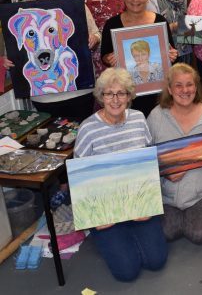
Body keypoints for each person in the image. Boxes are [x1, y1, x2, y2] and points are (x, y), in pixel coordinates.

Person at [73, 67, 167, 281]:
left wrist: (149, 206)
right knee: (127, 272)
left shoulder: (139, 119)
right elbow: (80, 181)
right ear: (101, 96)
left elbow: (149, 165)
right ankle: (113, 236)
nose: (115, 100)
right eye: (109, 93)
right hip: (105, 211)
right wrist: (96, 217)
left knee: (156, 261)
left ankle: (130, 234)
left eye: (121, 93)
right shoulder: (87, 129)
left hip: (138, 204)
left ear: (129, 96)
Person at [3, 0, 101, 120]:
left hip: (78, 89)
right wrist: (6, 60)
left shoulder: (72, 4)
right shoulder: (20, 12)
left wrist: (94, 38)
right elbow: (13, 49)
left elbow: (96, 32)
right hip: (43, 95)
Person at [147, 63, 202, 242]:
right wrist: (164, 171)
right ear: (169, 89)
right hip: (168, 192)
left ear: (196, 87)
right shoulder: (156, 116)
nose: (185, 90)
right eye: (178, 85)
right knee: (167, 233)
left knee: (200, 235)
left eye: (189, 84)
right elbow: (146, 156)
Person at [101, 0, 178, 117]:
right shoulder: (112, 24)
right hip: (126, 97)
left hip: (157, 95)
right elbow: (104, 56)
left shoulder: (160, 22)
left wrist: (172, 56)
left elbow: (171, 53)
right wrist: (109, 58)